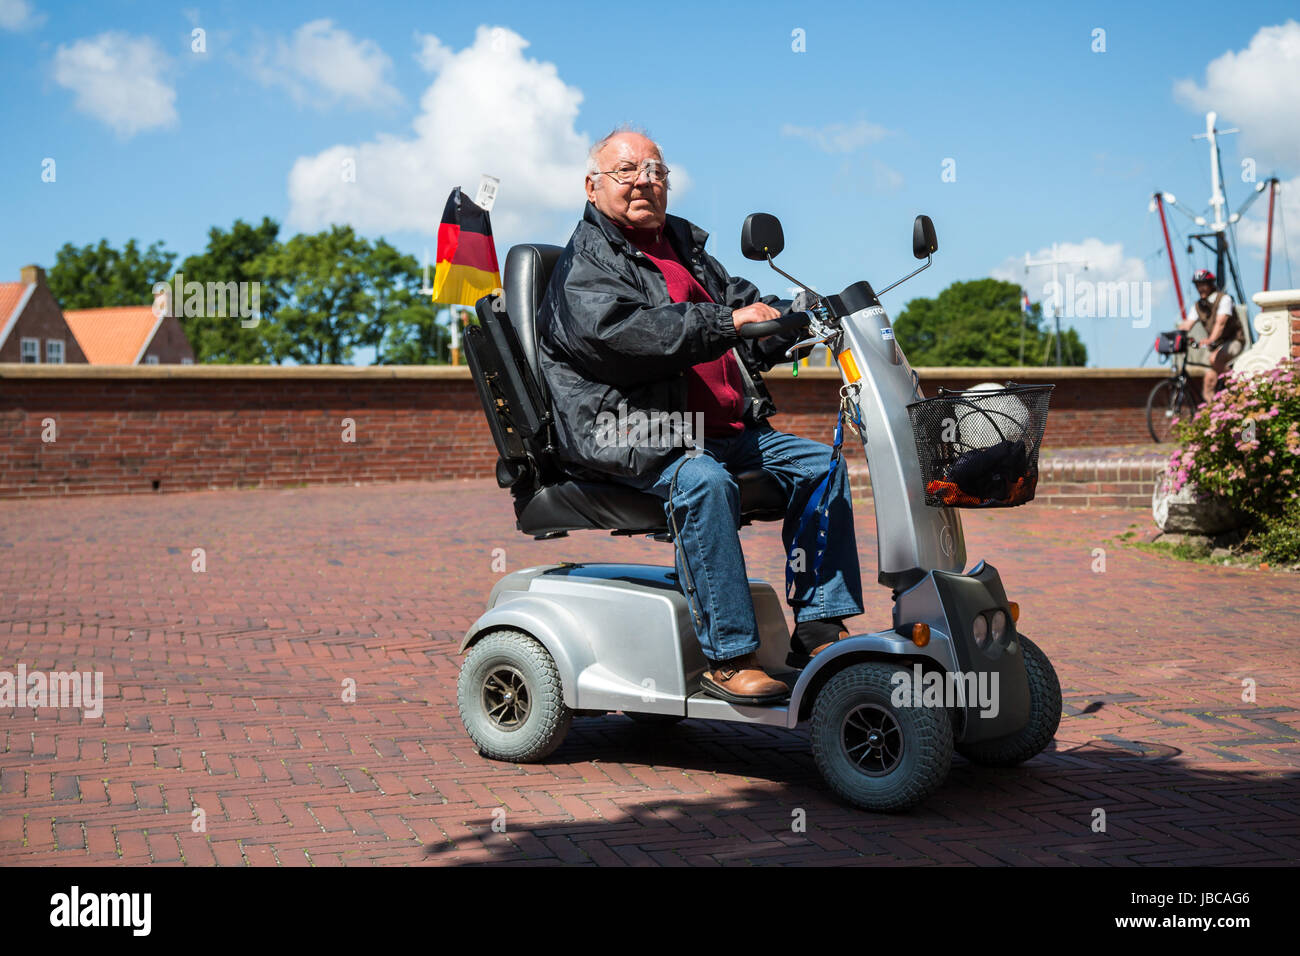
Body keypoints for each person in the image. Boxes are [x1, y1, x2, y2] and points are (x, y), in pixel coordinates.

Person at [537, 127, 864, 704]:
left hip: (721, 430)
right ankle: (730, 656)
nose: (644, 181)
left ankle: (817, 625)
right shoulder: (584, 266)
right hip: (633, 431)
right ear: (592, 187)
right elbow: (626, 335)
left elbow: (743, 310)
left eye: (656, 171)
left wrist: (795, 319)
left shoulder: (685, 247)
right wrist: (727, 324)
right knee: (704, 482)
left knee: (821, 467)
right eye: (627, 171)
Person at [1177, 269, 1246, 402]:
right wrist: (1173, 336)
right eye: (1197, 285)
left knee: (1215, 359)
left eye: (1202, 284)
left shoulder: (1224, 299)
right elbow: (1187, 324)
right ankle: (1214, 413)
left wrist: (1210, 340)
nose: (1199, 288)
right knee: (1208, 383)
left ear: (1210, 285)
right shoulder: (1198, 306)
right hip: (1216, 346)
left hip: (1234, 341)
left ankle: (1238, 388)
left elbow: (1220, 323)